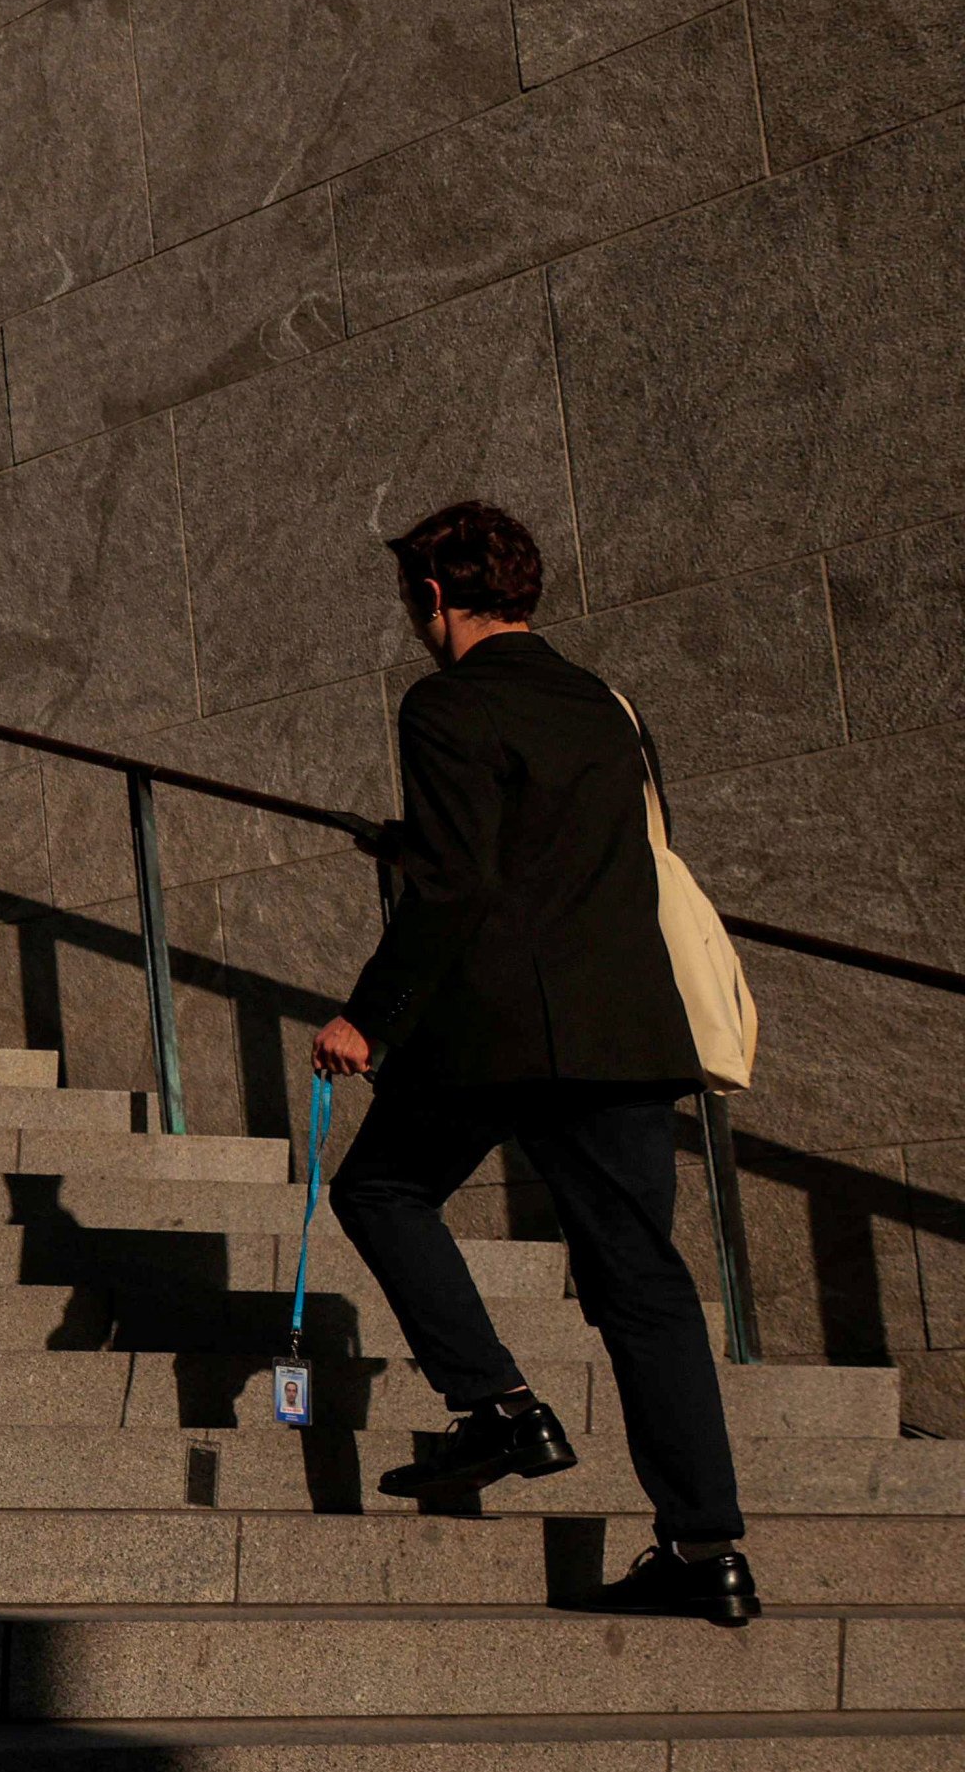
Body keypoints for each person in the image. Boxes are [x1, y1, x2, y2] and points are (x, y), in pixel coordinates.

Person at [308, 500, 754, 1625]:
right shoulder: (606, 703)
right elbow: (584, 854)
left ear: (433, 597)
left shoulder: (445, 702)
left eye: (412, 601)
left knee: (379, 1188)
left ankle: (501, 1408)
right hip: (625, 1029)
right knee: (642, 1283)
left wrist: (369, 1016)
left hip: (500, 1027)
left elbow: (458, 883)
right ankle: (706, 1548)